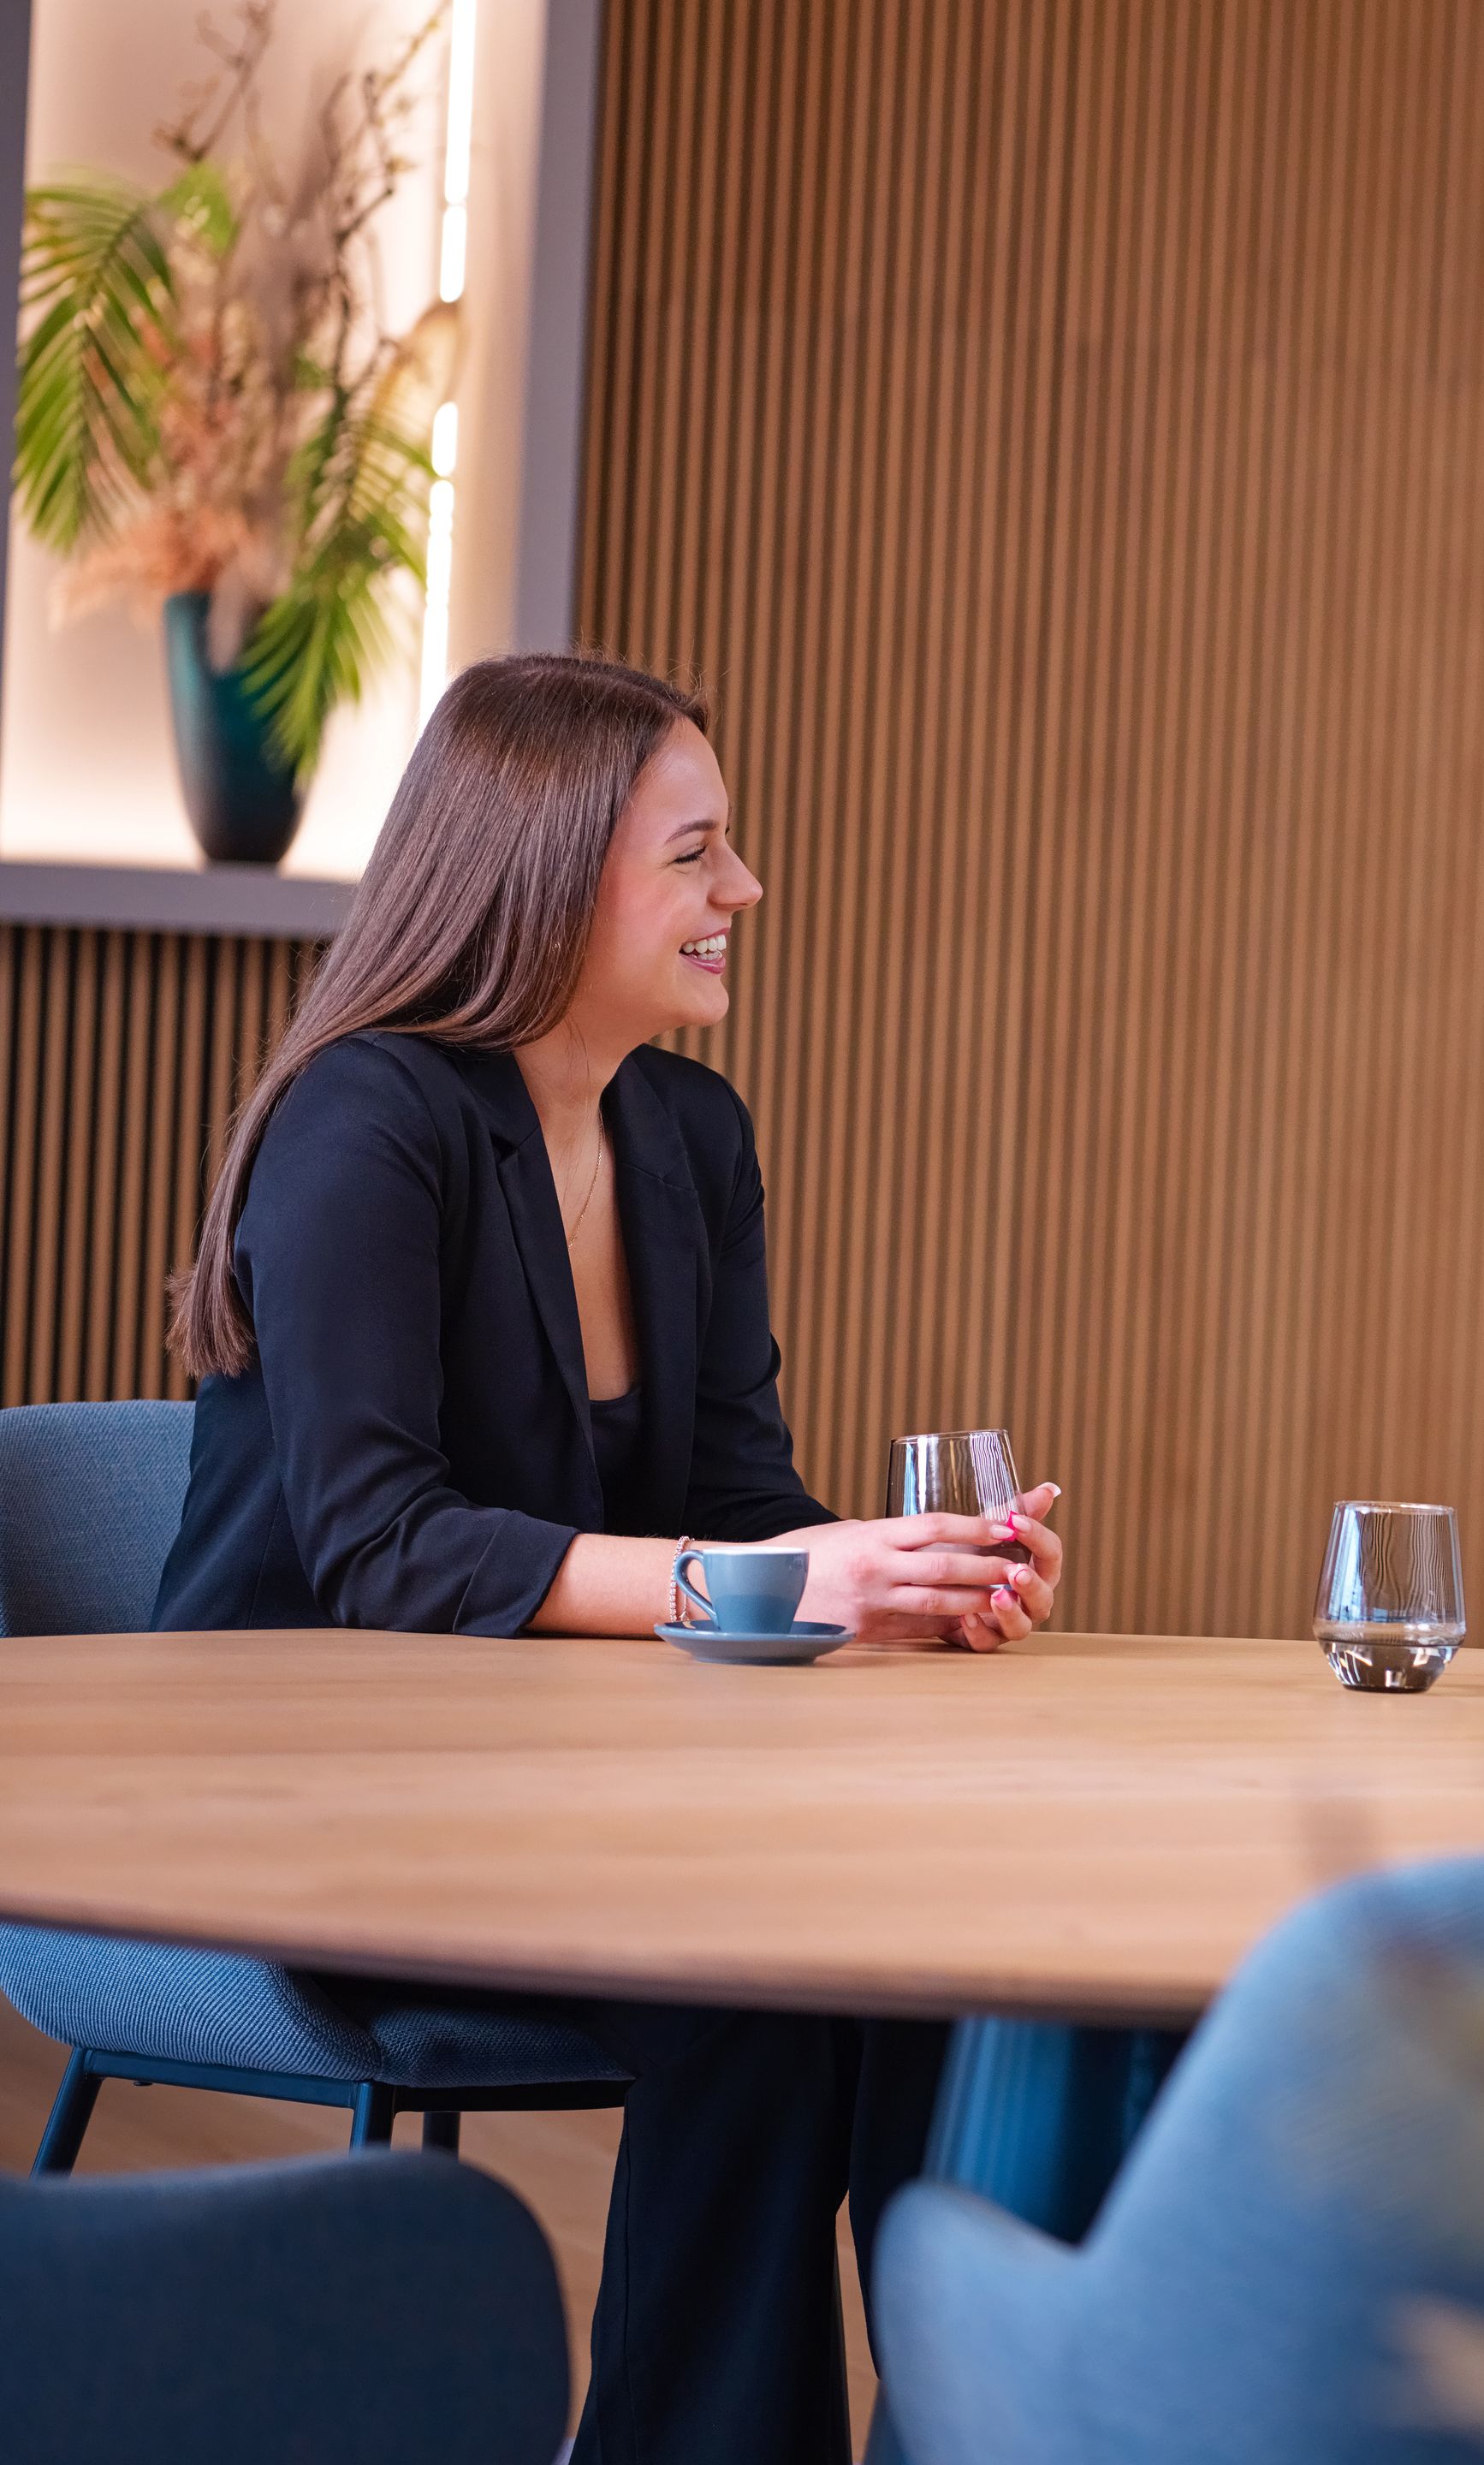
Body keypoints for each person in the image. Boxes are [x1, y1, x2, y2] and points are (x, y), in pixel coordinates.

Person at [152, 651, 1066, 2462]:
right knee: (762, 1986)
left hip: (568, 1796)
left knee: (934, 1953)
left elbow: (737, 1498)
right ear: (554, 874)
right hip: (299, 1798)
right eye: (697, 852)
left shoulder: (686, 1134)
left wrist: (901, 1576)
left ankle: (972, 2432)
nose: (747, 890)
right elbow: (383, 1551)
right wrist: (780, 1588)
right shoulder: (365, 1119)